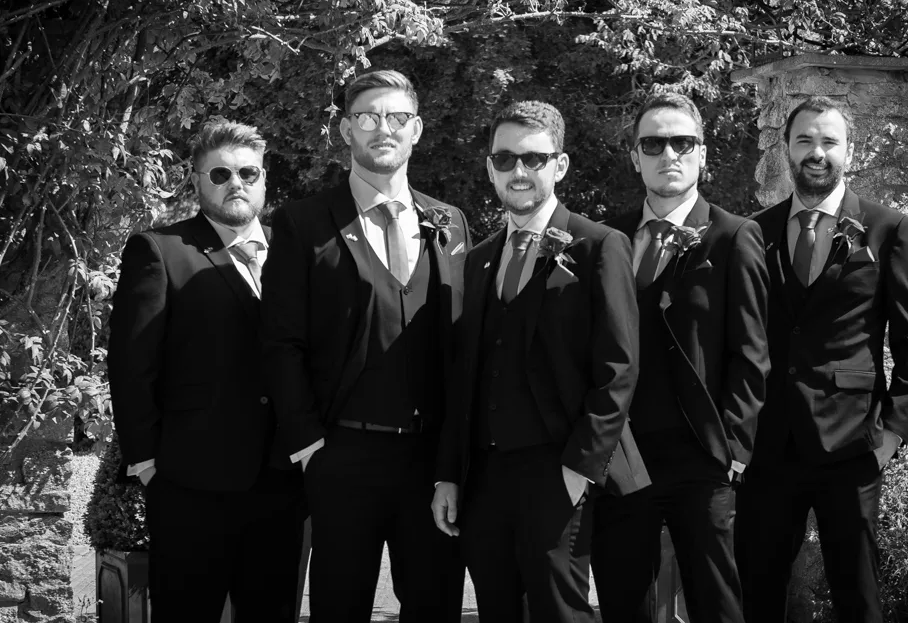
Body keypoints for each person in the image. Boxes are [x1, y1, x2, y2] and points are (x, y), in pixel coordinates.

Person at [259, 70, 469, 622]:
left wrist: (455, 454)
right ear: (347, 129)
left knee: (436, 606)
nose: (384, 128)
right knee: (339, 607)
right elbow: (280, 341)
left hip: (430, 464)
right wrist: (309, 445)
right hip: (341, 457)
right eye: (368, 116)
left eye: (397, 117)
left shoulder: (450, 221)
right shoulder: (302, 223)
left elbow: (462, 343)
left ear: (417, 129)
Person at [431, 99, 648, 623]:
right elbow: (466, 377)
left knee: (560, 613)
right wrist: (449, 475)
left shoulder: (600, 247)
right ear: (490, 168)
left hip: (560, 471)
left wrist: (580, 470)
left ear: (560, 165)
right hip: (484, 477)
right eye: (505, 160)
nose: (519, 171)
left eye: (533, 158)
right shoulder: (479, 258)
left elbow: (619, 370)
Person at [736, 96, 908, 623]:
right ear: (786, 150)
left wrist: (890, 436)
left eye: (829, 141)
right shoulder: (754, 232)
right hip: (770, 446)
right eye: (804, 141)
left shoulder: (886, 229)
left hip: (851, 445)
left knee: (857, 593)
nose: (816, 152)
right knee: (757, 589)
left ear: (851, 150)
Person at [108, 120, 303, 622]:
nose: (235, 183)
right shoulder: (160, 250)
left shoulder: (296, 252)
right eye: (219, 173)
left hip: (282, 485)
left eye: (247, 172)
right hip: (189, 487)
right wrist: (148, 465)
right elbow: (132, 365)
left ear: (264, 180)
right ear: (196, 182)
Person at [590, 92, 770, 623]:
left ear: (703, 154)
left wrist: (733, 448)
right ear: (635, 157)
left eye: (682, 142)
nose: (669, 153)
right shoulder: (608, 238)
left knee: (715, 604)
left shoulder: (735, 236)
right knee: (625, 603)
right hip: (623, 457)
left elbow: (752, 353)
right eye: (653, 143)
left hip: (702, 458)